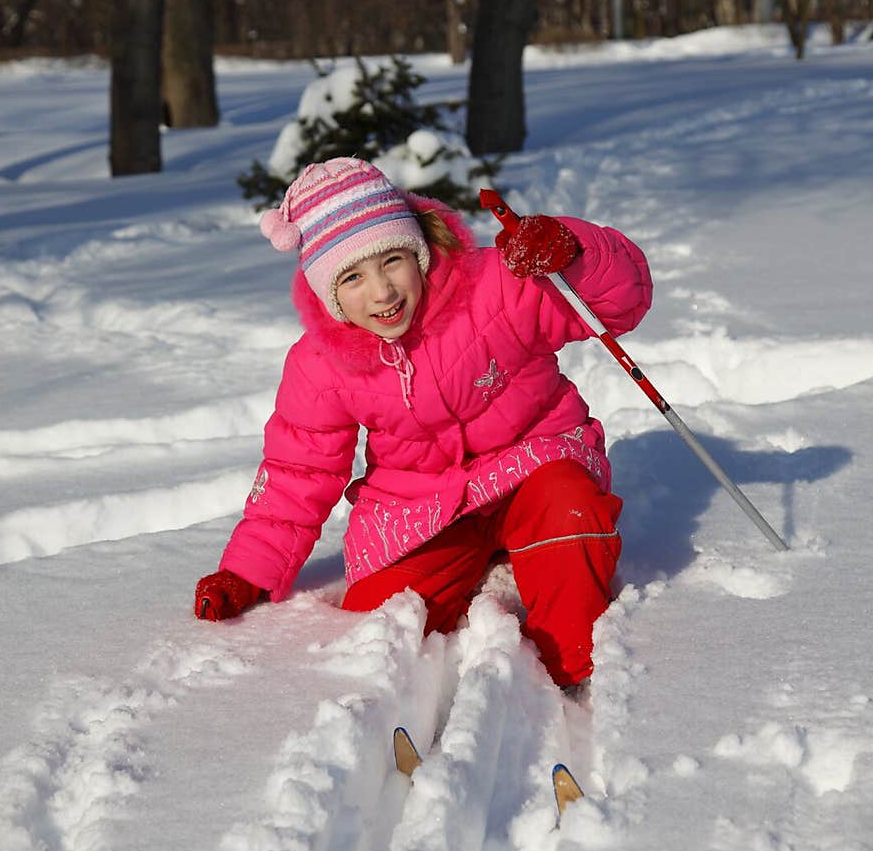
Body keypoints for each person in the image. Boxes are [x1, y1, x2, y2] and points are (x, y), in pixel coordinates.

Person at [194, 157, 652, 688]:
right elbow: (298, 469)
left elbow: (619, 300)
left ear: (419, 251)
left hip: (537, 465)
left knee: (572, 519)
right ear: (329, 293)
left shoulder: (495, 286)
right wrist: (249, 572)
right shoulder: (321, 361)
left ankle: (568, 669)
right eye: (353, 277)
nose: (382, 292)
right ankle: (400, 686)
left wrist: (572, 253)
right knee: (379, 608)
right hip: (426, 503)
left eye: (392, 260)